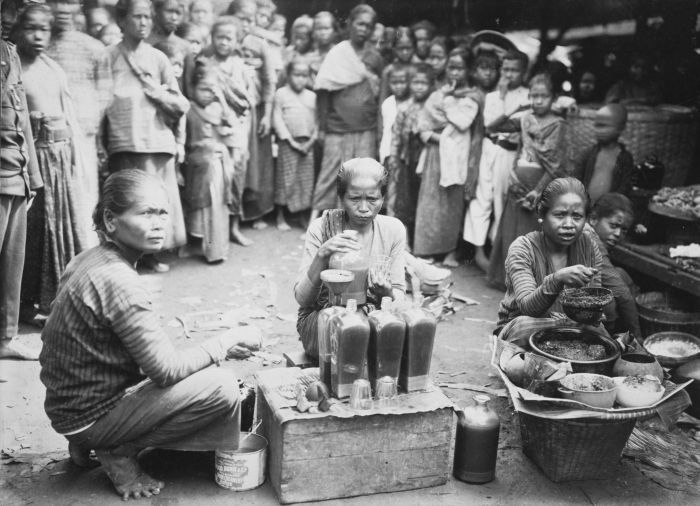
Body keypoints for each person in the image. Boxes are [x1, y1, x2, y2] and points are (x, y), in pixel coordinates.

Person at [39, 169, 262, 500]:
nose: (159, 223)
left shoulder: (91, 258)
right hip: (88, 415)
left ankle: (91, 441)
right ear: (111, 220)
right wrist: (227, 340)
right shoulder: (119, 280)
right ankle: (117, 449)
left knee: (196, 364)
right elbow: (165, 370)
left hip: (68, 406)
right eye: (146, 213)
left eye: (163, 212)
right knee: (223, 388)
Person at [14, 3, 90, 324]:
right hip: (32, 161)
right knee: (35, 233)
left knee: (63, 227)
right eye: (31, 28)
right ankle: (26, 303)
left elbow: (68, 116)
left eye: (44, 29)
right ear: (16, 31)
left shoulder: (52, 69)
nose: (38, 35)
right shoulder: (13, 69)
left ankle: (61, 300)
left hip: (60, 160)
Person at [103, 0, 189, 272]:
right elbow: (99, 102)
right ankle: (124, 257)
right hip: (123, 140)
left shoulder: (158, 58)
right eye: (136, 16)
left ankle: (150, 256)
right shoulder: (108, 56)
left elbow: (179, 103)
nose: (143, 22)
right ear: (122, 21)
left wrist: (157, 93)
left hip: (156, 140)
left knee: (152, 201)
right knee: (126, 200)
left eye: (147, 17)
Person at [294, 158, 406, 358]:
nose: (364, 208)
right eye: (354, 199)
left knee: (406, 332)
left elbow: (398, 297)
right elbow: (303, 300)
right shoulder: (321, 228)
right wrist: (322, 255)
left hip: (372, 317)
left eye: (372, 199)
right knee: (351, 340)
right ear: (341, 197)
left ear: (383, 198)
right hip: (325, 320)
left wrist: (386, 292)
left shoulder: (393, 230)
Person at [496, 177, 604, 346]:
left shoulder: (588, 247)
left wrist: (593, 314)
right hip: (529, 325)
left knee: (602, 334)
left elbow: (593, 299)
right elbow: (528, 308)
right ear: (542, 215)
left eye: (577, 216)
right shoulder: (523, 248)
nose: (569, 224)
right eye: (560, 215)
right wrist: (557, 279)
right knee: (522, 327)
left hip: (570, 324)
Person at [488, 73, 569, 290]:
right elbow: (493, 127)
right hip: (517, 181)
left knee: (530, 233)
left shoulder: (558, 124)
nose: (538, 101)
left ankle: (529, 283)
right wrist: (517, 107)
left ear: (553, 98)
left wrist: (538, 190)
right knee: (512, 230)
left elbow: (556, 165)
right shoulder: (525, 118)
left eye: (544, 96)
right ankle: (508, 280)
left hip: (538, 184)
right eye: (534, 96)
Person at [310, 4, 383, 229]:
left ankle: (356, 223)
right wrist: (321, 126)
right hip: (337, 126)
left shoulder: (375, 57)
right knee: (330, 174)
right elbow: (323, 91)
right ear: (349, 24)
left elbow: (379, 94)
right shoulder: (338, 53)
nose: (364, 29)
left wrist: (379, 128)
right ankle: (314, 222)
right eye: (360, 23)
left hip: (366, 126)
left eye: (368, 26)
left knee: (362, 175)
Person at [46, 0, 111, 244]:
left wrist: (88, 124)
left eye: (69, 3)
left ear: (79, 7)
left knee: (85, 196)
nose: (62, 10)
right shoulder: (41, 46)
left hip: (83, 134)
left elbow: (105, 93)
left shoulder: (94, 48)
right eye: (56, 3)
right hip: (49, 136)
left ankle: (88, 250)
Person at [413, 47, 484, 266]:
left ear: (468, 70)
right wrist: (439, 135)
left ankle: (450, 252)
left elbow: (462, 121)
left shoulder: (472, 97)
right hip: (436, 152)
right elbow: (422, 124)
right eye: (451, 67)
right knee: (430, 202)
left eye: (460, 68)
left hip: (458, 156)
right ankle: (426, 250)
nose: (454, 72)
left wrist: (445, 105)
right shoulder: (439, 92)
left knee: (452, 203)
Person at [463, 50, 530, 272]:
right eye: (506, 69)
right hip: (488, 147)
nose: (509, 74)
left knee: (501, 200)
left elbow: (514, 125)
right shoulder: (493, 96)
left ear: (523, 72)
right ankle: (478, 251)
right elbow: (491, 124)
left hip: (510, 151)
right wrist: (500, 97)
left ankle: (497, 251)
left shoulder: (528, 96)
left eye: (514, 70)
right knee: (482, 197)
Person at [0, 30, 44, 359]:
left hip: (14, 172)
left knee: (11, 263)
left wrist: (32, 175)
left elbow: (22, 117)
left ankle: (4, 338)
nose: (9, 16)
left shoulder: (11, 53)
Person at [195, 15, 254, 246]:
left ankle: (234, 227)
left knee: (236, 177)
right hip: (213, 127)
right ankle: (214, 232)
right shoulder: (206, 65)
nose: (223, 42)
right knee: (216, 178)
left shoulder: (241, 67)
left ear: (236, 40)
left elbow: (247, 99)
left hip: (237, 128)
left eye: (229, 38)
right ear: (212, 38)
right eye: (219, 37)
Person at [228, 0, 277, 230]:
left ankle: (256, 213)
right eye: (242, 18)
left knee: (258, 165)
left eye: (250, 19)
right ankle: (232, 216)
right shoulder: (224, 42)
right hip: (231, 112)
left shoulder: (259, 44)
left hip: (256, 111)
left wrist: (267, 115)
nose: (246, 24)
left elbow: (269, 81)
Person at [182, 62, 236, 263]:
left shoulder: (216, 108)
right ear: (193, 87)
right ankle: (196, 245)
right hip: (198, 165)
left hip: (217, 165)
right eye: (203, 89)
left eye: (212, 90)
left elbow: (231, 122)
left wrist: (221, 99)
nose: (208, 94)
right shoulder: (188, 109)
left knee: (217, 206)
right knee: (200, 207)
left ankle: (216, 250)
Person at [584, 192, 641, 339]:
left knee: (621, 274)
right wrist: (638, 337)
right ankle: (606, 340)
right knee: (610, 302)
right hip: (555, 306)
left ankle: (616, 334)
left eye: (623, 229)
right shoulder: (590, 240)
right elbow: (623, 294)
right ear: (594, 219)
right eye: (613, 225)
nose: (618, 234)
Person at [389, 63, 434, 247]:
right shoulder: (405, 107)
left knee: (423, 201)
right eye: (416, 82)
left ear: (431, 85)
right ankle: (405, 241)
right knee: (405, 200)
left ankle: (421, 242)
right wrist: (393, 157)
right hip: (407, 160)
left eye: (424, 83)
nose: (419, 87)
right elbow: (396, 134)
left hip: (428, 159)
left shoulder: (433, 106)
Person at [272, 58, 317, 231]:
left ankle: (301, 215)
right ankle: (280, 215)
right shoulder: (281, 94)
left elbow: (318, 122)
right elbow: (277, 118)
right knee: (286, 179)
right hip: (288, 143)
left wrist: (311, 141)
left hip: (307, 144)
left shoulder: (312, 96)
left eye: (304, 76)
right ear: (289, 75)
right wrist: (289, 141)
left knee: (305, 180)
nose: (300, 79)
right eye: (296, 75)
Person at [573, 104, 633, 203]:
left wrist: (613, 205)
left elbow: (625, 187)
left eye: (604, 126)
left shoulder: (625, 158)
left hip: (609, 211)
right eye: (597, 125)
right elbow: (575, 180)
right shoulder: (588, 154)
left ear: (621, 128)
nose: (599, 130)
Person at [379, 63, 411, 214]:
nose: (398, 86)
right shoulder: (388, 103)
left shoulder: (411, 103)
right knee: (391, 191)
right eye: (394, 83)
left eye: (402, 82)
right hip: (389, 153)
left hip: (406, 155)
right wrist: (386, 155)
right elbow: (386, 132)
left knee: (404, 193)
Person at [378, 27, 415, 105]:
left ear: (414, 47)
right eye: (401, 48)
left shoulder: (418, 68)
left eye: (408, 48)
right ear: (394, 49)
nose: (405, 52)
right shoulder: (389, 71)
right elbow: (383, 100)